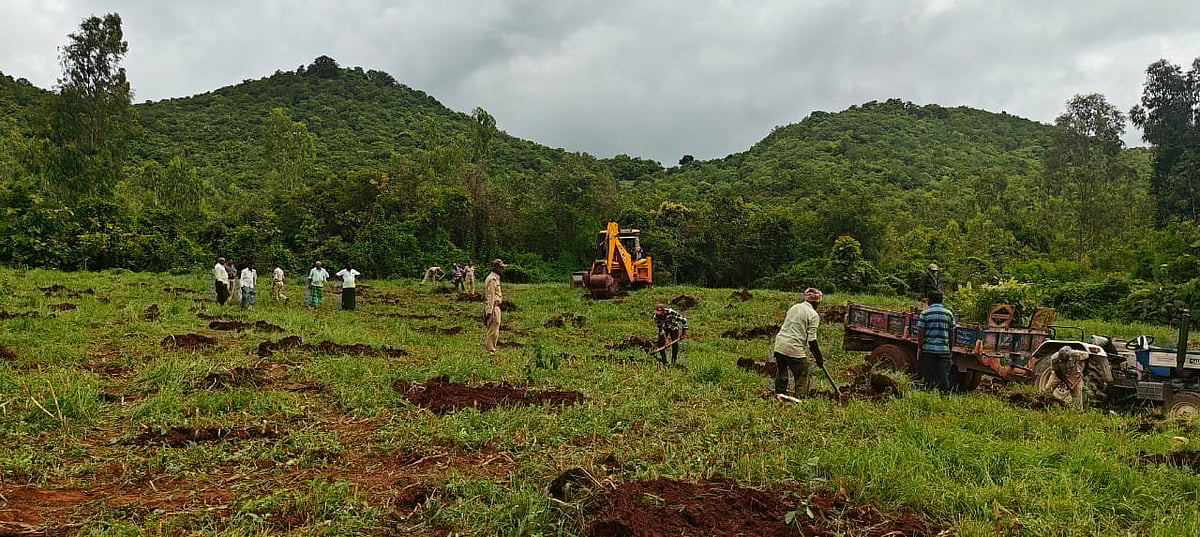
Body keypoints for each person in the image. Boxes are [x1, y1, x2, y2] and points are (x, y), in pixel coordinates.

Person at [773, 288, 824, 397]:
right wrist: (819, 358)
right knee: (802, 371)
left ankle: (779, 394)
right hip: (793, 347)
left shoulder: (794, 307)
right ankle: (799, 398)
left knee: (782, 372)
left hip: (780, 344)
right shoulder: (813, 315)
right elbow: (812, 340)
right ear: (817, 302)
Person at [917, 291, 956, 393]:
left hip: (928, 350)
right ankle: (944, 396)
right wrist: (950, 350)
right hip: (944, 351)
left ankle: (928, 395)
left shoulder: (925, 313)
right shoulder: (948, 314)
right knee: (943, 376)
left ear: (930, 300)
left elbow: (921, 333)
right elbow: (952, 334)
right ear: (941, 301)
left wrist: (919, 348)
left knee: (928, 377)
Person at [653, 301, 689, 366]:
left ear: (664, 311)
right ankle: (664, 361)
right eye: (658, 313)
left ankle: (673, 361)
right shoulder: (656, 317)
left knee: (675, 344)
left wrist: (683, 333)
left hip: (674, 327)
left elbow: (684, 321)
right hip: (665, 328)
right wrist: (666, 340)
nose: (659, 315)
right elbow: (661, 330)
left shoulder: (671, 312)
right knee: (660, 344)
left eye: (660, 313)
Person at [483, 259, 505, 362]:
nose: (502, 269)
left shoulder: (496, 278)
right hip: (493, 307)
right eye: (501, 267)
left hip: (496, 307)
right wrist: (488, 312)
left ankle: (491, 350)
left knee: (495, 330)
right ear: (495, 268)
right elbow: (490, 296)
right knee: (493, 330)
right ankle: (490, 352)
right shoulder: (492, 279)